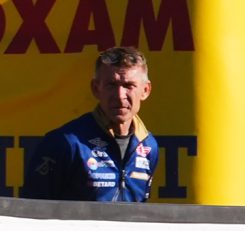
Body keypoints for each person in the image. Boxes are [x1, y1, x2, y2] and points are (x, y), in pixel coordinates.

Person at [24, 46, 158, 201]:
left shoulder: (149, 146)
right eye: (111, 85)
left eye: (129, 86)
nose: (120, 95)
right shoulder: (64, 143)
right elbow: (31, 210)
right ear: (96, 88)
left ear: (145, 90)